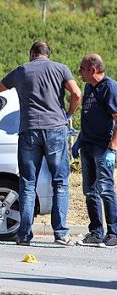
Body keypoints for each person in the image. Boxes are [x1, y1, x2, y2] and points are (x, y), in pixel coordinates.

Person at [0, 41, 81, 246]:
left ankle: (24, 236)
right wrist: (67, 114)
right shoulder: (61, 69)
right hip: (55, 131)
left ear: (31, 54)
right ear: (47, 54)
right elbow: (77, 94)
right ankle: (60, 234)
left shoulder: (22, 71)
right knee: (60, 182)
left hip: (29, 131)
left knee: (27, 183)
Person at [72, 53, 117, 248]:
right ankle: (96, 232)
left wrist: (113, 148)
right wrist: (79, 141)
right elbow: (87, 118)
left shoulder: (109, 87)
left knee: (106, 189)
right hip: (88, 145)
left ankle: (114, 233)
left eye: (82, 68)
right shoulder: (89, 87)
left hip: (103, 146)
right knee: (89, 191)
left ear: (93, 69)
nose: (79, 72)